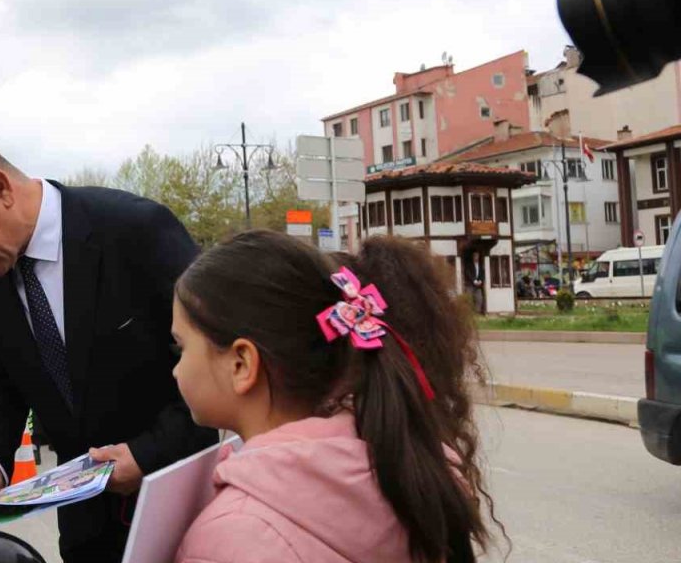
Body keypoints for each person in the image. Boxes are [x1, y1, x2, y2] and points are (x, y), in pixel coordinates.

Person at [0, 133, 216, 562]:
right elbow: (4, 384)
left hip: (180, 509)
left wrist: (148, 454)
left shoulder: (136, 229)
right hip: (84, 528)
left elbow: (216, 360)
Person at [171, 231, 500, 563]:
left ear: (241, 363)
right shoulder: (404, 458)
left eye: (181, 347)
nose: (175, 368)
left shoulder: (229, 538)